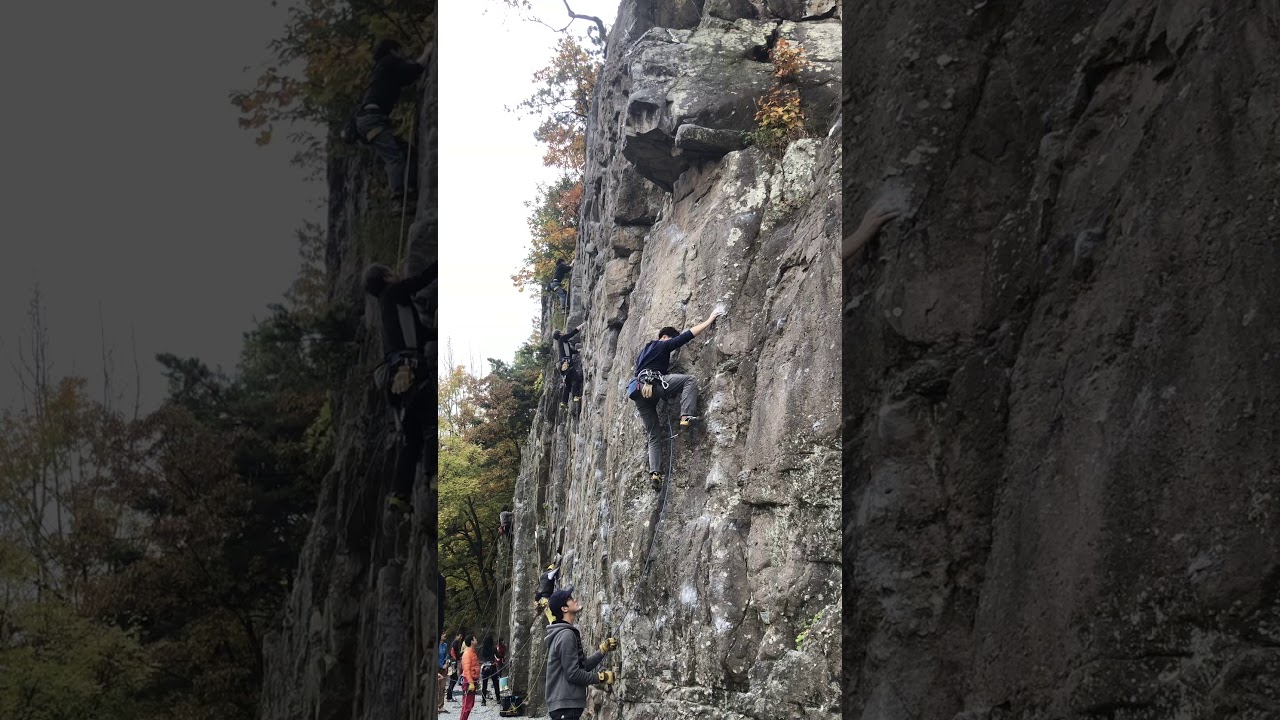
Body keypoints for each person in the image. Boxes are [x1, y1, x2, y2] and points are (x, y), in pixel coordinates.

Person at [363, 262, 434, 513]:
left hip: (396, 378)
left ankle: (399, 494)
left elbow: (422, 334)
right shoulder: (393, 293)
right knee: (430, 419)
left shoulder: (392, 308)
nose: (397, 274)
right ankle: (433, 475)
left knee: (412, 439)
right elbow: (421, 279)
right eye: (392, 273)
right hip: (409, 369)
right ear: (386, 277)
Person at [627, 310, 723, 489]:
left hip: (639, 392)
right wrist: (709, 319)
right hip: (653, 384)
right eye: (671, 340)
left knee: (653, 435)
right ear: (665, 337)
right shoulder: (660, 345)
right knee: (689, 380)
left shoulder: (643, 353)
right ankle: (686, 415)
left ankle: (655, 473)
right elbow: (686, 336)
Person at [356, 38, 428, 208]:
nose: (403, 55)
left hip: (368, 121)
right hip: (373, 119)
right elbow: (413, 69)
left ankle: (410, 191)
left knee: (408, 153)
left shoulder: (383, 70)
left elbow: (407, 77)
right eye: (401, 50)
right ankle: (398, 198)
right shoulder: (389, 61)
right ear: (393, 50)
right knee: (394, 157)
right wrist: (428, 52)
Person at [544, 586, 618, 720]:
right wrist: (601, 678)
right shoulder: (566, 635)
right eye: (571, 599)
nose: (575, 600)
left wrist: (602, 650)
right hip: (565, 707)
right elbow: (573, 674)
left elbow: (580, 666)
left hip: (565, 706)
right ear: (564, 608)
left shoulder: (565, 633)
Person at [459, 634, 480, 720]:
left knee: (470, 704)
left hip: (472, 681)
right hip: (468, 682)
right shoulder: (467, 653)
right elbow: (466, 670)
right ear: (471, 641)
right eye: (475, 638)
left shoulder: (472, 652)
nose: (476, 640)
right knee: (467, 705)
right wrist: (471, 683)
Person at [480, 636, 500, 705]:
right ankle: (498, 699)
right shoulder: (493, 648)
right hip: (492, 666)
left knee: (484, 684)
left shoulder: (483, 649)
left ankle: (483, 701)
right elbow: (498, 656)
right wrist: (497, 650)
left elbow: (482, 656)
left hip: (485, 667)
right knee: (495, 683)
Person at [446, 631, 463, 701]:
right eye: (460, 636)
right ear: (457, 636)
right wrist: (464, 652)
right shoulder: (455, 644)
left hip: (450, 662)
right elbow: (458, 655)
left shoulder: (453, 643)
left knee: (453, 678)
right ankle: (449, 695)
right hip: (453, 663)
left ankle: (449, 694)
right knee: (454, 678)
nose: (461, 638)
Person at [437, 631, 450, 711]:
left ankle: (440, 706)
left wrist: (446, 662)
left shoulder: (445, 645)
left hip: (443, 669)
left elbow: (446, 655)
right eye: (443, 634)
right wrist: (441, 665)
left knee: (442, 688)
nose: (445, 635)